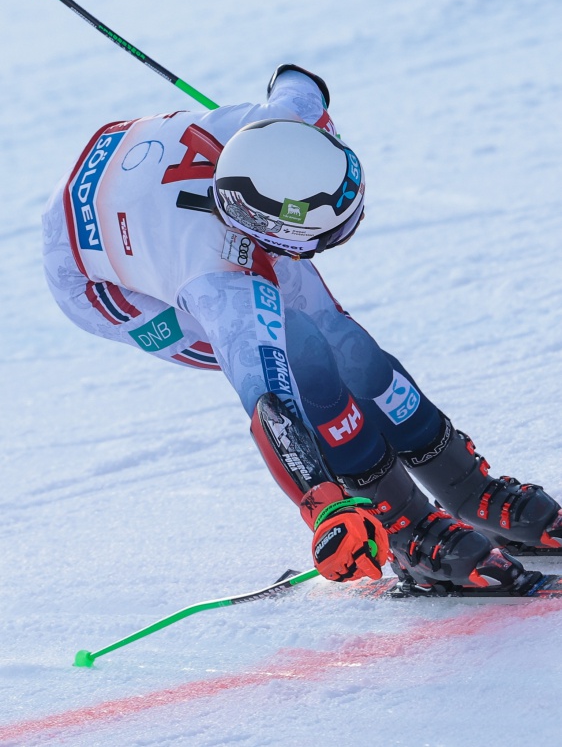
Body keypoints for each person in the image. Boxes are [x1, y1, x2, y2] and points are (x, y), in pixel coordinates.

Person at [42, 64, 561, 593]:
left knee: (350, 346)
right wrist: (326, 509)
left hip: (139, 164)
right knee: (306, 362)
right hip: (92, 274)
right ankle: (403, 526)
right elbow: (270, 404)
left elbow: (296, 79)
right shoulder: (218, 287)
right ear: (275, 232)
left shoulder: (285, 120)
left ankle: (466, 489)